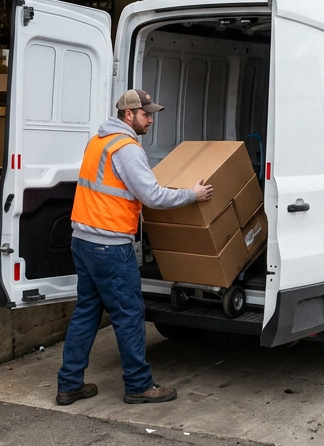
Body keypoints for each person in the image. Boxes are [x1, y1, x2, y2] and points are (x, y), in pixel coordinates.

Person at [57, 88, 213, 406]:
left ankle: (69, 384)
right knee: (129, 313)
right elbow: (152, 196)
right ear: (128, 115)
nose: (150, 120)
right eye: (146, 114)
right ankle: (139, 385)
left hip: (83, 241)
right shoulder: (126, 149)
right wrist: (191, 195)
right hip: (110, 246)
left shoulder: (98, 141)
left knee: (86, 312)